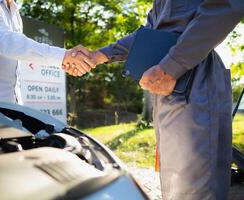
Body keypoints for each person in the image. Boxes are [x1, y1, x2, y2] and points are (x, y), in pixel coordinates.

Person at [65, 0, 244, 199]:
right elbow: (150, 31)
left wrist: (171, 67)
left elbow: (226, 6)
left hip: (191, 78)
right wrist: (99, 55)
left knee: (195, 188)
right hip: (171, 84)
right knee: (176, 182)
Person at [0, 0, 93, 103]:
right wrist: (64, 56)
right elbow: (5, 41)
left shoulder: (14, 11)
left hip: (12, 105)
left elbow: (16, 52)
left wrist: (64, 61)